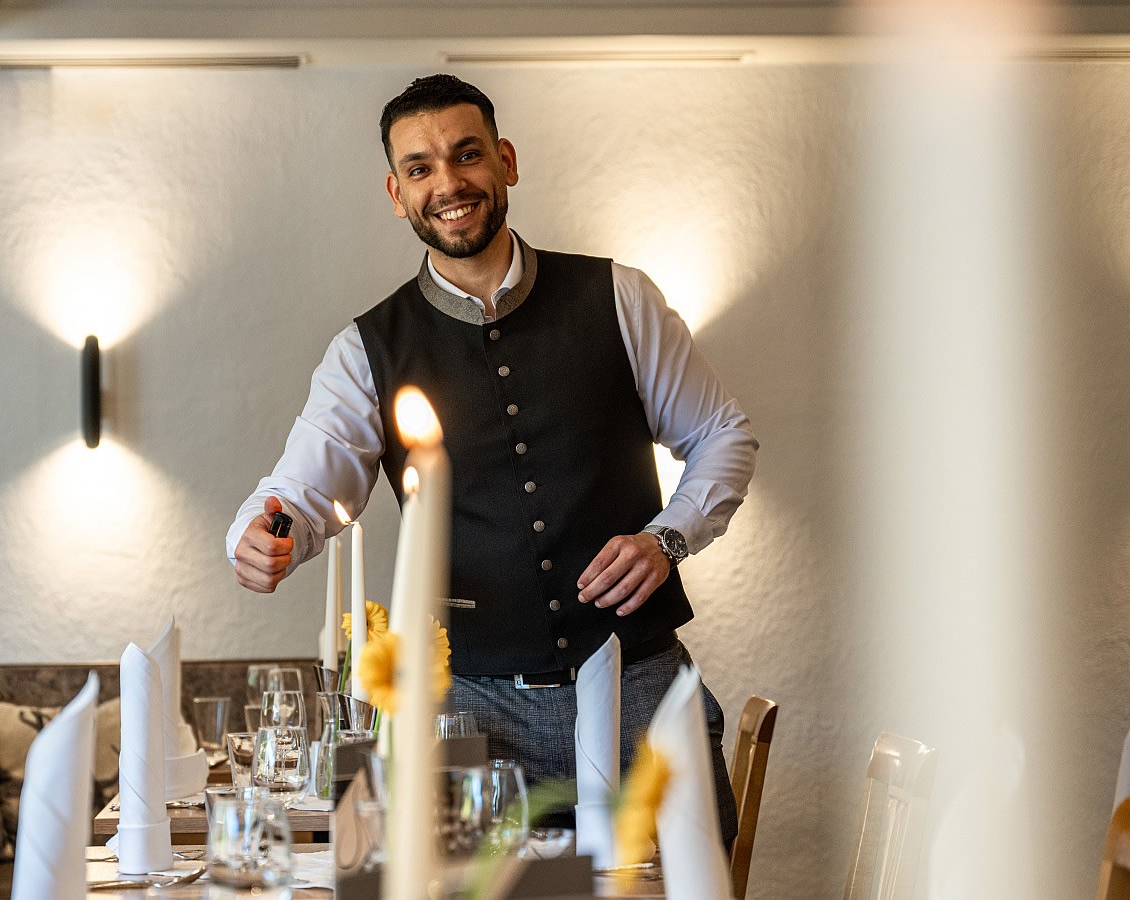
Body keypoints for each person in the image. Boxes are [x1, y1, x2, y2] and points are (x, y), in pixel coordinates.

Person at [226, 74, 757, 847]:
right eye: (420, 168)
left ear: (505, 161)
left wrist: (666, 538)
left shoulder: (619, 297)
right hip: (472, 716)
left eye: (466, 154)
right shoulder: (365, 351)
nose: (448, 182)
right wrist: (262, 532)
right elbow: (301, 493)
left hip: (640, 688)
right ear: (396, 192)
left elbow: (723, 435)